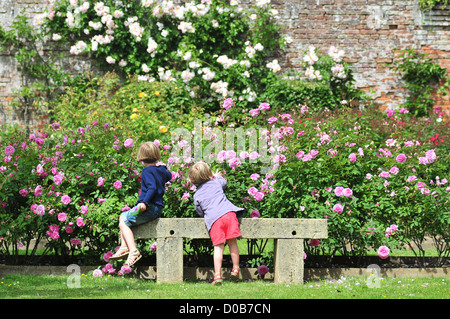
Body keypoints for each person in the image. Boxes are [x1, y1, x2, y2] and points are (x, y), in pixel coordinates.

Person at [109, 141, 172, 267]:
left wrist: (144, 202)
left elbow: (152, 188)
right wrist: (163, 168)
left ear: (141, 156)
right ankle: (124, 246)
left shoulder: (147, 171)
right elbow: (169, 176)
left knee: (123, 219)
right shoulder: (160, 170)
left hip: (149, 206)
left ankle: (133, 251)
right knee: (124, 218)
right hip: (157, 207)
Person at [188, 162, 244, 285]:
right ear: (209, 173)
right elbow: (224, 182)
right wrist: (216, 176)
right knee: (232, 242)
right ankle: (235, 268)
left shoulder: (197, 194)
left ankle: (217, 276)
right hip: (229, 215)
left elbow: (199, 211)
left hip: (215, 220)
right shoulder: (216, 182)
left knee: (218, 247)